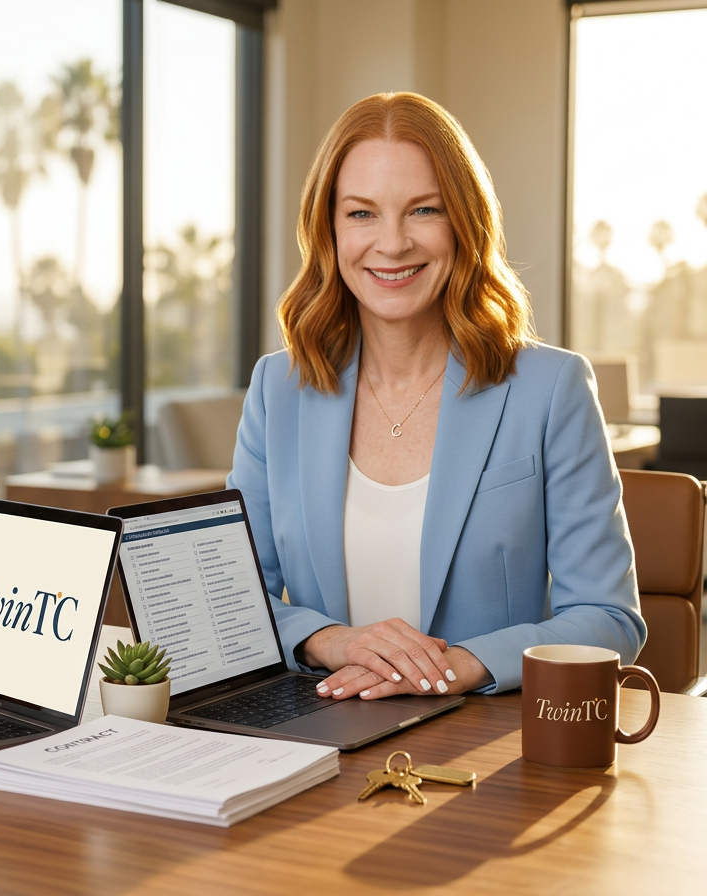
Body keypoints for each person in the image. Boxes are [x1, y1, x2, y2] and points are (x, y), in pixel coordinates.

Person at [228, 92, 644, 700]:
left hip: (488, 751)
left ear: (464, 224)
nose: (392, 243)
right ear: (328, 229)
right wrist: (329, 640)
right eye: (361, 213)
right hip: (323, 736)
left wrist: (462, 665)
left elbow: (609, 620)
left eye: (424, 210)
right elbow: (234, 596)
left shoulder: (552, 390)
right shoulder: (278, 390)